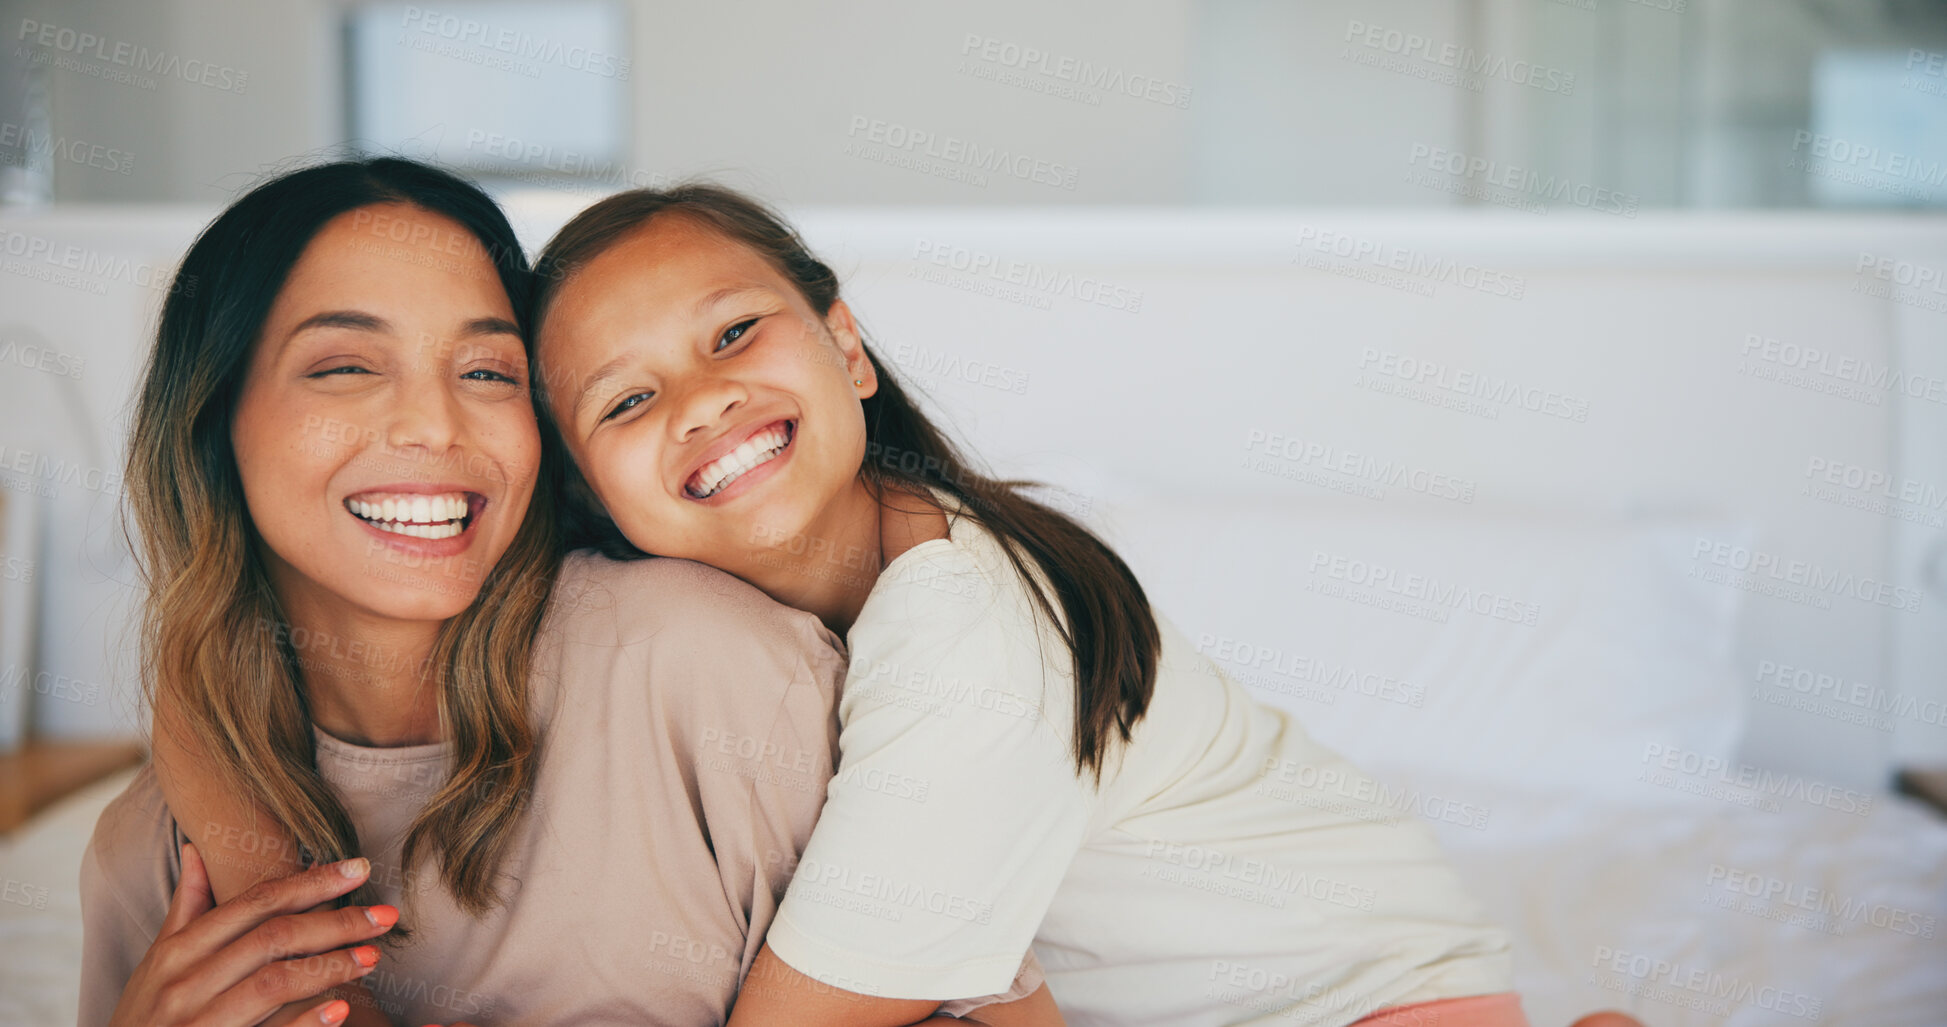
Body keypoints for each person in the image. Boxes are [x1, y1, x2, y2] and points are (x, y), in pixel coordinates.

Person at [527, 184, 1641, 1027]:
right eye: (628, 398)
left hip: (1359, 999)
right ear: (587, 490)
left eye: (733, 333)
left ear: (847, 345)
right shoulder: (709, 634)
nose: (702, 398)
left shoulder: (963, 635)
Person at [80, 158, 1042, 1027]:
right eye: (344, 366)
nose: (432, 422)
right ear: (214, 425)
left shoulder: (704, 669)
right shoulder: (165, 854)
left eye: (486, 370)